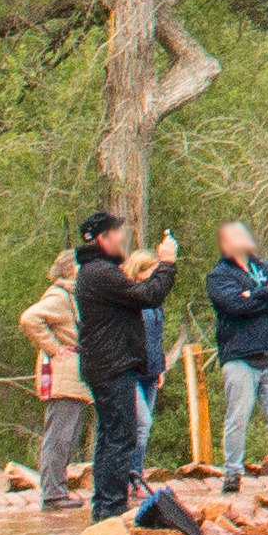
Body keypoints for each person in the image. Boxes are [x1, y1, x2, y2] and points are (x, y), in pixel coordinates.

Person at [71, 206, 178, 516]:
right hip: (111, 365)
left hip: (107, 363)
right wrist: (167, 264)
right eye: (118, 234)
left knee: (112, 434)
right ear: (103, 238)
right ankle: (110, 507)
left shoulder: (97, 272)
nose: (123, 240)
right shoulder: (100, 273)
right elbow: (147, 296)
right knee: (121, 436)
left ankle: (106, 505)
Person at [207, 223, 268, 490]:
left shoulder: (263, 266)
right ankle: (232, 473)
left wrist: (256, 293)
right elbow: (235, 305)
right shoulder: (219, 276)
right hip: (239, 357)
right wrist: (266, 295)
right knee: (237, 419)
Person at [21, 253, 88, 512]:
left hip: (73, 373)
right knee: (59, 433)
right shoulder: (59, 296)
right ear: (70, 269)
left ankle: (58, 486)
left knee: (68, 434)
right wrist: (54, 347)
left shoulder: (71, 295)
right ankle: (52, 491)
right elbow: (30, 318)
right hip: (63, 372)